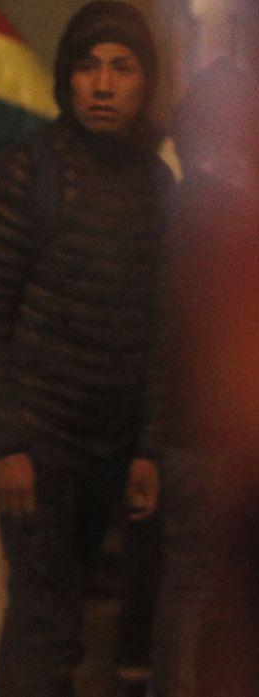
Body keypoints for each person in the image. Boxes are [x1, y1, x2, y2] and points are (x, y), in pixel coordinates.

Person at [0, 3, 168, 695]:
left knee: (64, 619)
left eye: (121, 67)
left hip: (110, 442)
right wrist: (6, 442)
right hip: (37, 437)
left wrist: (148, 447)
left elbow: (161, 328)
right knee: (46, 619)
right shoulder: (24, 174)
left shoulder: (156, 184)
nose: (103, 85)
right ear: (67, 78)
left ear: (146, 81)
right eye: (88, 67)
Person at [156, 58, 259, 697]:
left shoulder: (190, 205)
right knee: (202, 590)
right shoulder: (216, 212)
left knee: (200, 587)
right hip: (210, 435)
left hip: (202, 432)